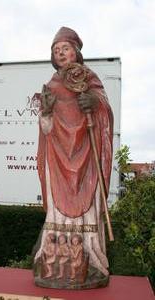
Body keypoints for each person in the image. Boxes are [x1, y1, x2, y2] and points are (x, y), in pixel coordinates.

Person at [34, 27, 113, 289]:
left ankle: (90, 257)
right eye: (56, 51)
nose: (60, 53)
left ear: (76, 52)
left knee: (87, 201)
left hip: (86, 154)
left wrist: (93, 102)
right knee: (58, 206)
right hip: (58, 156)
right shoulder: (52, 85)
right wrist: (45, 112)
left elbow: (103, 107)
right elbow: (46, 127)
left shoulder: (89, 77)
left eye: (64, 48)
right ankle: (54, 258)